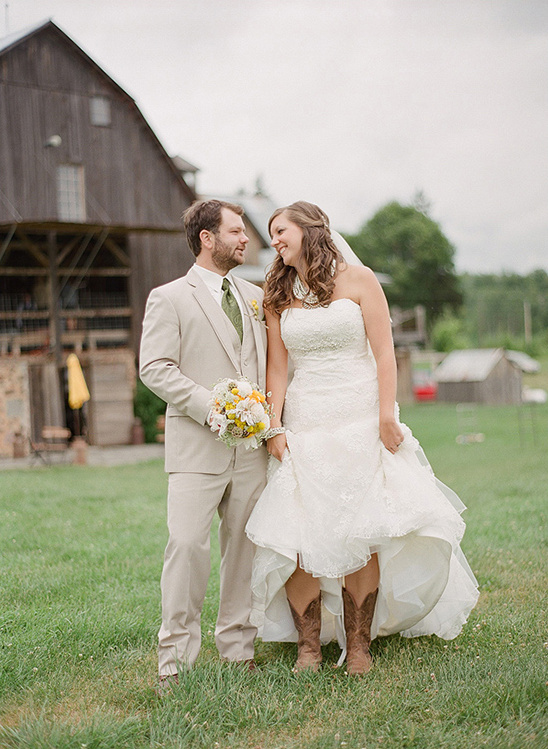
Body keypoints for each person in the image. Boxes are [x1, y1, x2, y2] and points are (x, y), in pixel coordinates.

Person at [245, 201, 479, 675]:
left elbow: (385, 353)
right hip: (306, 419)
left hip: (358, 414)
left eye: (280, 231)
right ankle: (308, 648)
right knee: (299, 530)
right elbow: (277, 367)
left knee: (361, 527)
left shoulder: (361, 280)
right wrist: (274, 426)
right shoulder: (277, 293)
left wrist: (386, 416)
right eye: (271, 234)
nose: (275, 241)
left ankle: (358, 646)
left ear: (310, 230)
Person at [140, 199, 268, 686]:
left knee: (244, 550)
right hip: (196, 447)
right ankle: (175, 658)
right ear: (207, 238)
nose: (245, 239)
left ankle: (238, 646)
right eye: (236, 231)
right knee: (187, 546)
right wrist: (213, 406)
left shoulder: (256, 295)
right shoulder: (168, 297)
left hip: (250, 452)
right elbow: (154, 368)